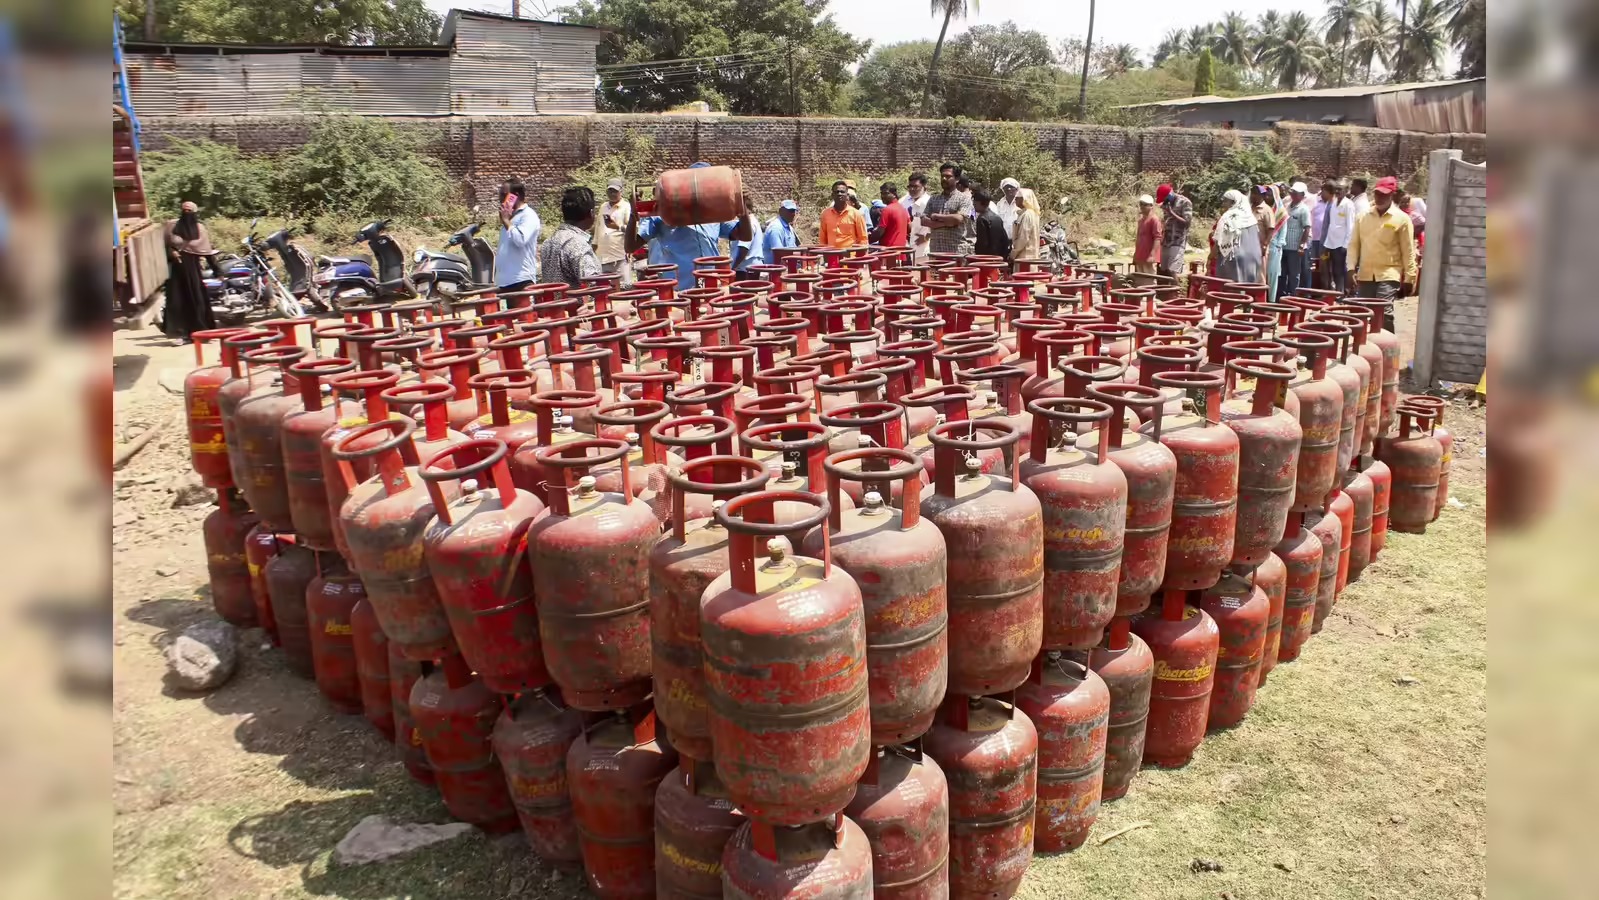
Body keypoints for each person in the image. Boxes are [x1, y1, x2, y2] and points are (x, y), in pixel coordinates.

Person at [626, 162, 754, 290]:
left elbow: (745, 235)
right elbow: (630, 246)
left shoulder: (715, 215)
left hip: (711, 284)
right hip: (679, 288)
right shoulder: (662, 214)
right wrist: (633, 214)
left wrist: (741, 206)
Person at [1348, 176, 1417, 332]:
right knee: (1362, 312)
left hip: (1389, 273)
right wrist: (1350, 269)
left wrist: (1410, 278)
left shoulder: (1402, 219)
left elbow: (1408, 251)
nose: (1380, 198)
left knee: (1384, 312)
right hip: (1365, 273)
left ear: (1392, 195)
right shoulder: (1362, 217)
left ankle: (1387, 344)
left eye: (1384, 194)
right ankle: (1365, 344)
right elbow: (1353, 245)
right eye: (1377, 194)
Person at [160, 200, 218, 342]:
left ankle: (201, 333)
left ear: (195, 213)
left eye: (189, 211)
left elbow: (207, 252)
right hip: (177, 272)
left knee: (197, 301)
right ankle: (181, 334)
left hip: (193, 272)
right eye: (184, 210)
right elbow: (164, 246)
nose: (186, 213)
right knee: (177, 302)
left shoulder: (200, 229)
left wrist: (218, 270)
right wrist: (172, 253)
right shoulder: (172, 226)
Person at [539, 186, 603, 288]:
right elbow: (593, 285)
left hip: (553, 297)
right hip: (574, 298)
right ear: (591, 213)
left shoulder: (548, 242)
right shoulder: (577, 244)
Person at [497, 177, 541, 292]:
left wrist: (506, 221)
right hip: (505, 282)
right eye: (500, 195)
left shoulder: (528, 215)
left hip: (521, 280)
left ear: (515, 195)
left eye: (504, 195)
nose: (501, 199)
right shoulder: (511, 216)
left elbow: (520, 240)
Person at [921, 163, 975, 256]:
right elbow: (923, 220)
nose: (944, 179)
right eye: (942, 176)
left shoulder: (964, 199)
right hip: (936, 251)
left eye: (948, 176)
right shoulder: (934, 199)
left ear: (957, 179)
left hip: (957, 251)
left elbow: (958, 219)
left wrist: (936, 216)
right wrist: (948, 223)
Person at [1213, 189, 1263, 283]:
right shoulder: (1250, 218)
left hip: (1234, 259)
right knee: (1248, 287)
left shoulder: (1228, 217)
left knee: (1232, 288)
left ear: (1233, 203)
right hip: (1254, 258)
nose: (1223, 204)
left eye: (1225, 201)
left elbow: (1219, 242)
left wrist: (1211, 256)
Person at [594, 177, 632, 284]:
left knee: (624, 287)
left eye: (615, 191)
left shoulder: (626, 207)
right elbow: (598, 227)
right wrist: (594, 246)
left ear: (621, 191)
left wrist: (618, 226)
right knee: (605, 288)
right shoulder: (603, 206)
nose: (612, 194)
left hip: (619, 256)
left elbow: (632, 229)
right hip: (603, 256)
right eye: (610, 191)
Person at [1323, 179, 1356, 294]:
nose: (1337, 191)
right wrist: (1326, 243)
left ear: (1346, 191)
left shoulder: (1348, 205)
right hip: (1330, 243)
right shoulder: (1333, 203)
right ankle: (1336, 292)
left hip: (1341, 244)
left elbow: (1350, 226)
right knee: (1332, 270)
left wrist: (1345, 245)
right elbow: (1331, 224)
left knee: (1340, 271)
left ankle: (1342, 293)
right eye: (1336, 189)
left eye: (1340, 189)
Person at [1280, 181, 1312, 296]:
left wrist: (1302, 245)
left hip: (1295, 247)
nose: (1293, 195)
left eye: (1296, 193)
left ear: (1302, 195)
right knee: (1282, 273)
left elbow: (1306, 228)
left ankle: (1293, 296)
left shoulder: (1304, 209)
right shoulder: (1287, 207)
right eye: (1292, 192)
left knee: (1294, 274)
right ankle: (1283, 295)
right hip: (1284, 245)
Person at [1156, 184, 1193, 277]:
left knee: (1172, 271)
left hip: (1178, 241)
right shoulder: (1166, 204)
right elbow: (1166, 220)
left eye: (1164, 198)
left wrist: (1171, 213)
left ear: (1170, 194)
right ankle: (1163, 287)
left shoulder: (1185, 202)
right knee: (1163, 271)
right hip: (1166, 241)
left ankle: (1176, 287)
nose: (1163, 201)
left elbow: (1187, 223)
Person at [1259, 185, 1289, 301]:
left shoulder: (1281, 212)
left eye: (1270, 195)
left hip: (1274, 247)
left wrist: (1277, 245)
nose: (1267, 197)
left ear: (1275, 196)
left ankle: (1271, 300)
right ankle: (1260, 298)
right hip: (1261, 245)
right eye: (1266, 195)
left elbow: (1283, 232)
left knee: (1272, 274)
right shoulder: (1262, 210)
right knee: (1261, 274)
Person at [820, 181, 869, 248]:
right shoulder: (825, 214)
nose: (839, 194)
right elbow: (822, 239)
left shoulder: (856, 214)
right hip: (831, 253)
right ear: (832, 195)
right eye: (837, 192)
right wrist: (823, 252)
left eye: (842, 192)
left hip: (850, 253)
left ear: (847, 195)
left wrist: (861, 253)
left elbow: (863, 239)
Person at [729, 191, 765, 273]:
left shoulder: (749, 224)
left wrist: (733, 267)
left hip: (746, 269)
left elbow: (744, 249)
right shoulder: (752, 221)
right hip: (750, 267)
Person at [972, 188, 1012, 259]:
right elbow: (1004, 240)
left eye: (975, 202)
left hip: (986, 258)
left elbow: (982, 243)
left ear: (980, 202)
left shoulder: (982, 219)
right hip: (998, 257)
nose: (973, 204)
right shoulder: (997, 218)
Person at [903, 173, 932, 261]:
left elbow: (938, 225)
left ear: (924, 187)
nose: (912, 189)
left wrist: (926, 238)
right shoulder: (913, 203)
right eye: (910, 186)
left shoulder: (928, 203)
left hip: (925, 249)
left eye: (915, 186)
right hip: (915, 248)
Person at [1132, 193, 1162, 275]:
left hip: (1149, 256)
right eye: (1141, 204)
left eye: (1145, 205)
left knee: (1149, 278)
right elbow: (1138, 239)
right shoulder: (1141, 221)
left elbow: (1157, 238)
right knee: (1140, 278)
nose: (1142, 206)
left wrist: (1152, 255)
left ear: (1151, 206)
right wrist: (1135, 254)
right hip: (1140, 256)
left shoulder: (1154, 220)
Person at [762, 199, 800, 264]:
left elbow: (794, 247)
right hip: (774, 268)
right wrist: (800, 254)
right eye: (790, 211)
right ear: (781, 211)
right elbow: (779, 252)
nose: (793, 214)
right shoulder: (776, 228)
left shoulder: (789, 228)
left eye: (794, 211)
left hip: (786, 265)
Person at [873, 182, 910, 247]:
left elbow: (879, 232)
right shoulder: (903, 208)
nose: (882, 196)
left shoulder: (887, 210)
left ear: (894, 194)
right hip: (902, 249)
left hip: (889, 250)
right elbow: (909, 228)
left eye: (886, 193)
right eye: (881, 193)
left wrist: (867, 239)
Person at [1309, 181, 1331, 288]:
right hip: (1314, 240)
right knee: (1313, 264)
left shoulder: (1334, 203)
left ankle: (1325, 288)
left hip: (1327, 242)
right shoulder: (1314, 201)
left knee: (1324, 264)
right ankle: (1315, 288)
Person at [1010, 188, 1041, 262]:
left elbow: (1023, 238)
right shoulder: (1029, 213)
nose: (1015, 199)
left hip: (1025, 256)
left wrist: (1013, 254)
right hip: (1028, 256)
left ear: (1024, 199)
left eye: (1017, 197)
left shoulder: (1027, 215)